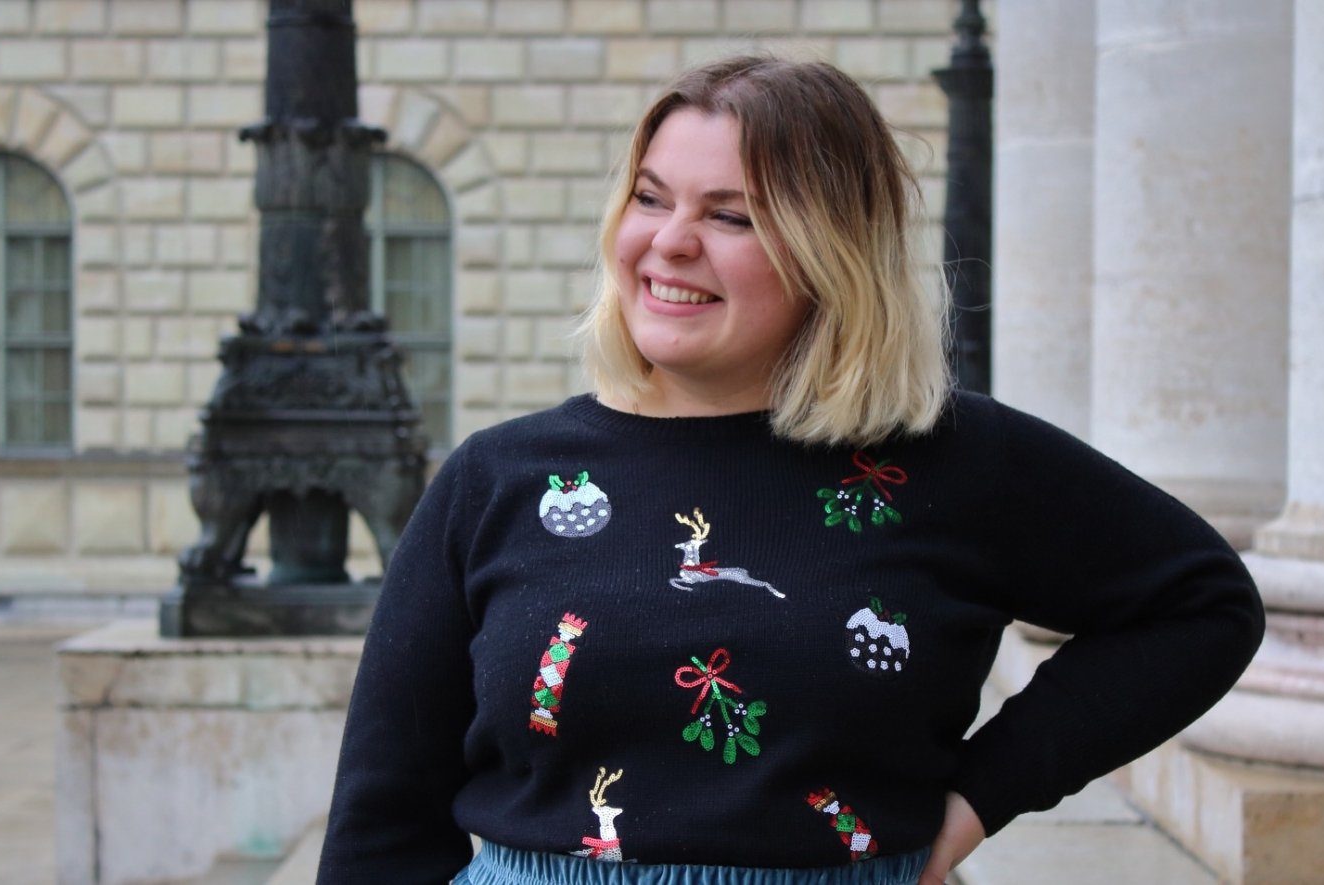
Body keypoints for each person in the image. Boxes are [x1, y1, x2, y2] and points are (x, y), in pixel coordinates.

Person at [318, 55, 1263, 885]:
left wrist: (982, 798)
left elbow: (1201, 605)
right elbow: (383, 811)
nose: (669, 241)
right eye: (650, 198)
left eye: (729, 215)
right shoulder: (499, 479)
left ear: (830, 255)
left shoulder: (954, 459)